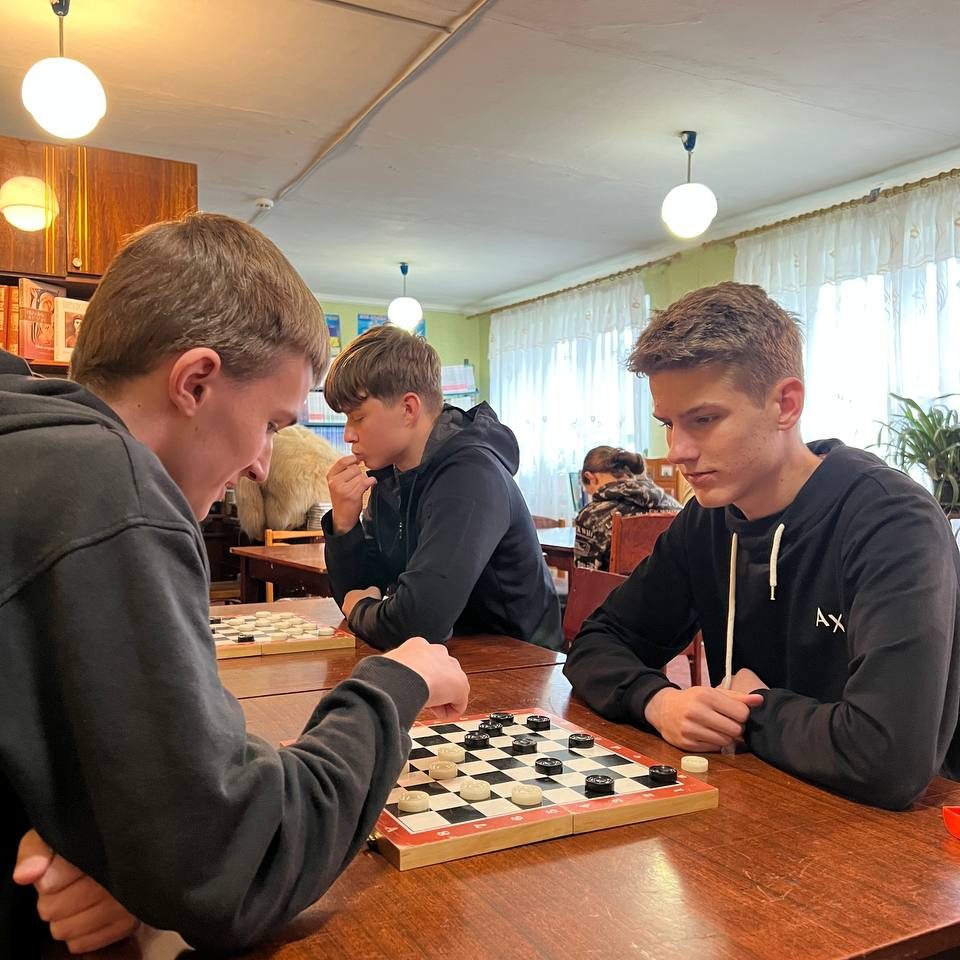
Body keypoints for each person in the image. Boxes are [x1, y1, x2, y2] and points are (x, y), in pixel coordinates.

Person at [0, 213, 470, 954]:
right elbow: (236, 866)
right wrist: (393, 686)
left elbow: (158, 825)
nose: (261, 464)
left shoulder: (30, 448)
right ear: (195, 382)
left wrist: (104, 848)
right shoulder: (110, 488)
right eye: (273, 423)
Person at [563, 281, 960, 811]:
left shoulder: (893, 522)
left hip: (900, 836)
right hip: (761, 803)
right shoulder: (706, 520)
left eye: (704, 419)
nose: (677, 451)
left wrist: (753, 710)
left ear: (785, 404)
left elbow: (888, 758)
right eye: (669, 424)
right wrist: (657, 701)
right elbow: (595, 644)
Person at [320, 325, 562, 652]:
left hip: (519, 664)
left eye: (358, 417)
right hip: (447, 657)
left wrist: (359, 609)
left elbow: (416, 623)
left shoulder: (470, 476)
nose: (348, 434)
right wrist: (344, 525)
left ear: (408, 408)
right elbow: (363, 590)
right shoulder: (390, 476)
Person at [575, 446, 681, 570]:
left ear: (590, 477)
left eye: (589, 491)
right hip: (673, 580)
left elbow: (585, 574)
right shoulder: (674, 507)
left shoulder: (591, 516)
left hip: (621, 583)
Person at [234, 423, 341, 541]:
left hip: (286, 522)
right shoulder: (310, 437)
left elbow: (251, 515)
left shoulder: (251, 451)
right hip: (327, 518)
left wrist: (258, 534)